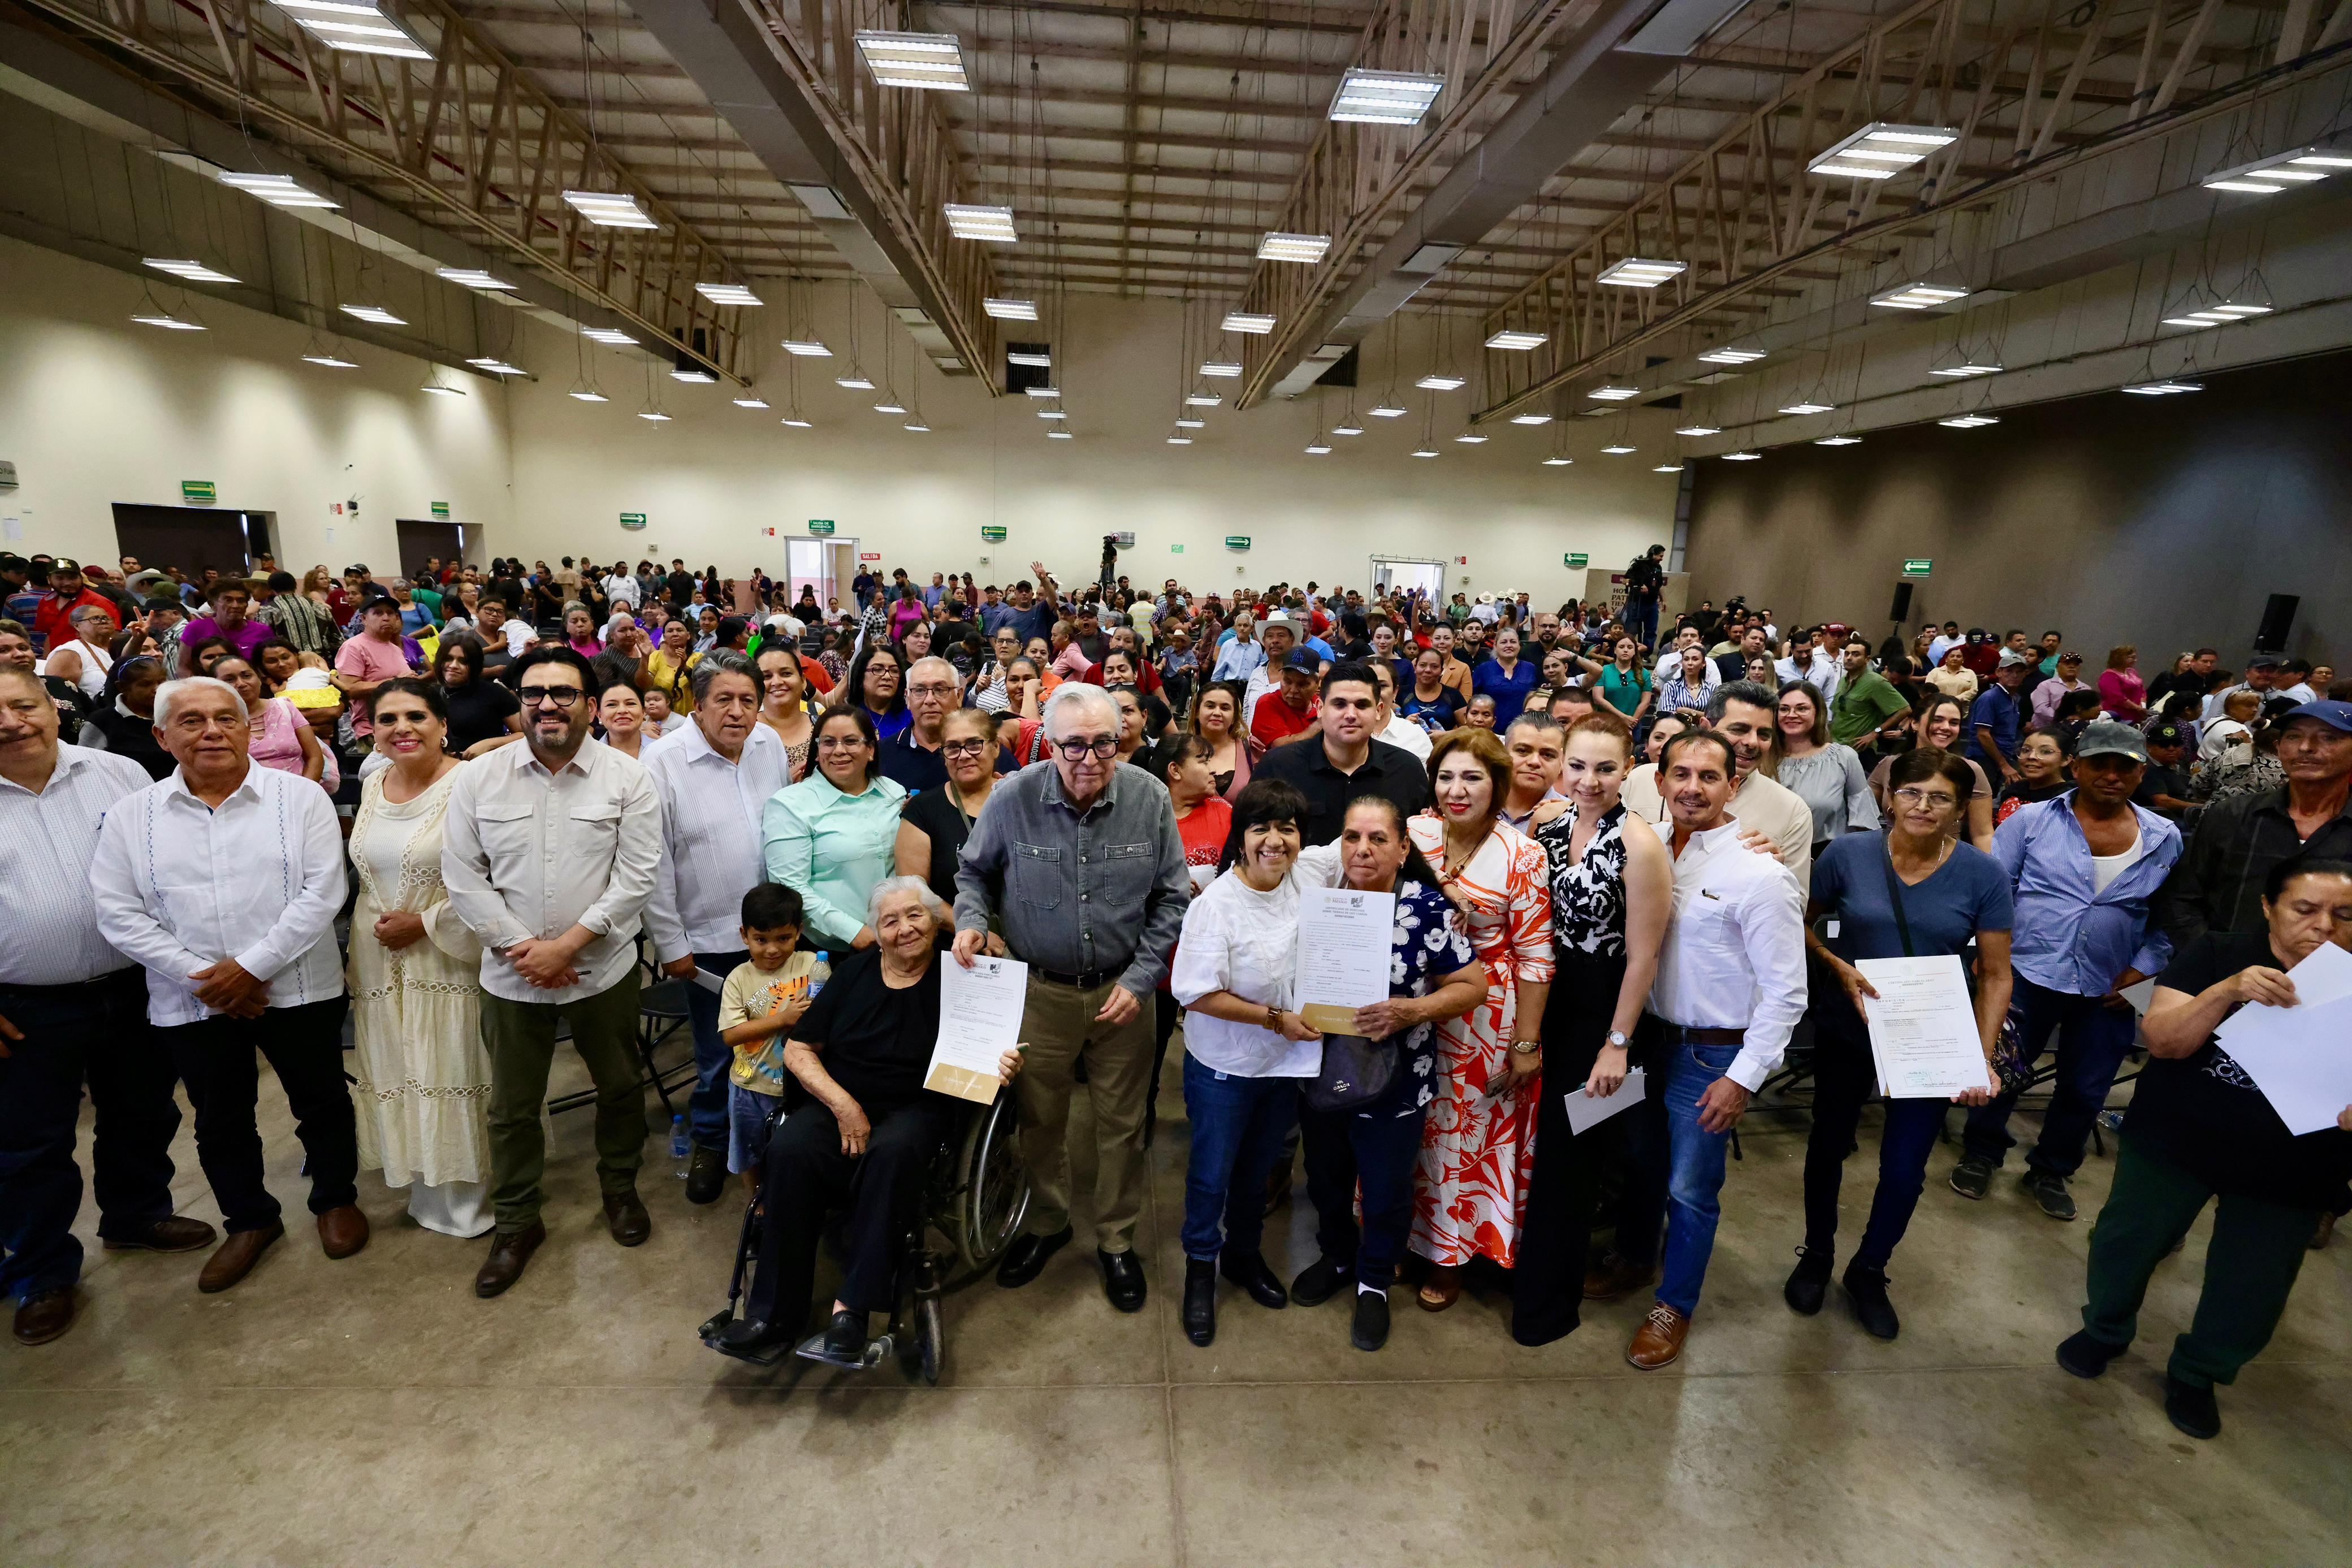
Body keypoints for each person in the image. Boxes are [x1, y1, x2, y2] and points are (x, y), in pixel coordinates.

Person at [2057, 860, 2352, 1440]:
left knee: (2253, 1281)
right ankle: (2104, 1329)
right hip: (2176, 1137)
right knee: (2126, 1241)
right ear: (2268, 907)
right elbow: (2165, 1041)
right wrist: (2226, 990)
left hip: (2294, 1164)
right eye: (2305, 909)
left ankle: (2199, 1371)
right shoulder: (2220, 953)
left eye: (2343, 915)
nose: (2323, 926)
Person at [91, 675, 364, 1294]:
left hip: (297, 986)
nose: (211, 731)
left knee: (321, 1099)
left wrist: (251, 967)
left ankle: (335, 1198)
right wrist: (206, 978)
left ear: (248, 728)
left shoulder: (299, 798)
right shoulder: (133, 816)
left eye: (226, 718)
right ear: (162, 736)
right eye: (191, 721)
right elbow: (117, 911)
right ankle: (250, 1219)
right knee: (219, 1117)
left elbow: (324, 891)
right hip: (193, 998)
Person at [715, 879, 1024, 1360]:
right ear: (877, 933)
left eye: (915, 915)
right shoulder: (854, 973)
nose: (905, 929)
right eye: (891, 921)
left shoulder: (964, 976)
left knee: (893, 1152)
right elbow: (798, 1050)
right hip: (841, 1102)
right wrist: (844, 1106)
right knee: (791, 1147)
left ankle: (852, 1311)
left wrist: (1001, 1064)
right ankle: (772, 1315)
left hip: (918, 1107)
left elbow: (989, 1055)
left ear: (935, 921)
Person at [953, 684, 1189, 1313]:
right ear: (1049, 744)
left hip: (1123, 993)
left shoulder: (1149, 798)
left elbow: (1172, 897)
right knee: (1040, 1119)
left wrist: (1141, 978)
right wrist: (971, 920)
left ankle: (1116, 1239)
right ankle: (1049, 1221)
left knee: (1122, 1126)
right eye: (1074, 745)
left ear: (1122, 739)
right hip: (1038, 992)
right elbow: (973, 872)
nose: (1090, 759)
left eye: (1104, 743)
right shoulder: (1013, 797)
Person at [0, 665, 215, 1344]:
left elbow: (163, 866)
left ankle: (136, 1214)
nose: (10, 722)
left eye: (22, 704)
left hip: (134, 985)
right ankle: (41, 1270)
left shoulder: (117, 773)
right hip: (24, 1005)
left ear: (52, 706)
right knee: (32, 1144)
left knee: (142, 1112)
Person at [439, 647, 664, 1298]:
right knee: (511, 1107)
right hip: (513, 976)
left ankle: (619, 1188)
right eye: (533, 692)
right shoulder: (479, 778)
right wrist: (526, 948)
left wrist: (566, 946)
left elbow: (637, 875)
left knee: (619, 1085)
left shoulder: (627, 778)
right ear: (520, 702)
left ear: (590, 705)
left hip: (602, 968)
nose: (546, 704)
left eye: (563, 692)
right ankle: (516, 1221)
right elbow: (462, 875)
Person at [1791, 750, 2013, 1339]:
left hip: (1928, 1033)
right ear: (1888, 797)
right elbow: (1802, 924)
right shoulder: (1847, 855)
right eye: (1911, 792)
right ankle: (1817, 1252)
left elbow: (1996, 974)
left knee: (1904, 1167)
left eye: (1940, 797)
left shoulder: (1982, 875)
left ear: (1960, 809)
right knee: (1828, 1145)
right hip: (1849, 1025)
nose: (1922, 806)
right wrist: (1836, 964)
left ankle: (1869, 1268)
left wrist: (1980, 1057)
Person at [1614, 729, 1806, 1370]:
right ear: (1659, 780)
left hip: (1709, 1056)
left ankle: (1674, 1303)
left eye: (1708, 776)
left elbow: (1786, 992)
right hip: (1643, 1042)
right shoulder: (1639, 847)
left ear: (1732, 785)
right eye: (1680, 774)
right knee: (1637, 1164)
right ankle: (1633, 1259)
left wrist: (1743, 1078)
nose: (1692, 788)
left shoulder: (1760, 874)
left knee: (1690, 1188)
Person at [1277, 796, 1486, 1351]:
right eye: (1352, 837)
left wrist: (1411, 1010)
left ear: (1401, 848)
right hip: (1321, 1070)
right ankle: (1337, 1257)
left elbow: (1474, 986)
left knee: (1386, 1187)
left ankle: (1374, 1280)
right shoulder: (1319, 901)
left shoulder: (1426, 907)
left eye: (1376, 839)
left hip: (1397, 1077)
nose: (1362, 849)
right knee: (1325, 1176)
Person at [1952, 720, 2182, 1219]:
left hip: (2111, 985)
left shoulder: (2164, 837)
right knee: (2003, 1069)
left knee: (2085, 1088)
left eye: (2125, 767)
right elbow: (1995, 892)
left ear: (2142, 773)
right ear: (2076, 767)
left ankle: (2051, 1170)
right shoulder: (2031, 821)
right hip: (2025, 974)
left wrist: (2145, 968)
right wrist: (1988, 957)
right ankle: (1982, 1152)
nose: (2112, 775)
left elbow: (2169, 917)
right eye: (2100, 764)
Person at [1510, 714, 1672, 1346]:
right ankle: (1518, 1270)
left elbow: (1644, 957)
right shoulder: (1548, 825)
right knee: (1532, 1147)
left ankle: (1547, 1305)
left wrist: (1616, 1044)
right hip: (1543, 1002)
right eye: (1577, 765)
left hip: (1602, 1018)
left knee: (1571, 1159)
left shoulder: (1640, 844)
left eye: (1605, 768)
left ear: (1628, 768)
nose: (1589, 780)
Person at [1406, 727, 1554, 1309]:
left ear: (1497, 786)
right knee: (1408, 1125)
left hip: (1484, 1018)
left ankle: (1450, 1254)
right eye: (1446, 776)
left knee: (1461, 1137)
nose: (1456, 789)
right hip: (1412, 1002)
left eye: (1472, 777)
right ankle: (1399, 1233)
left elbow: (1536, 956)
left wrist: (1526, 1042)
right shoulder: (1413, 834)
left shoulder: (1523, 855)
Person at [1170, 779, 1319, 1348]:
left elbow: (1366, 842)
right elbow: (1195, 993)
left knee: (1258, 1173)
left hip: (1282, 1065)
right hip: (1224, 1067)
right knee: (1212, 1175)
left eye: (1287, 829)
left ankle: (1242, 1254)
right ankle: (1199, 1268)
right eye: (1261, 828)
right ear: (1240, 837)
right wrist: (1276, 1018)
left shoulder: (1307, 880)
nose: (1274, 841)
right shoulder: (1215, 905)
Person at [346, 679, 492, 1238]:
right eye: (387, 719)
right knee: (402, 1068)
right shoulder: (373, 784)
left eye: (416, 716)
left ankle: (471, 1197)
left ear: (443, 725)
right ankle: (426, 1188)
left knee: (454, 1064)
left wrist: (425, 923)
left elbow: (498, 878)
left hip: (449, 955)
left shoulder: (471, 784)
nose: (401, 728)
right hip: (380, 957)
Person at [644, 652, 792, 1204]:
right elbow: (653, 862)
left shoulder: (767, 744)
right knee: (717, 1054)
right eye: (723, 700)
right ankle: (711, 1139)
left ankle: (771, 1138)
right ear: (698, 705)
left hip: (776, 936)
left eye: (748, 700)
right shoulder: (663, 762)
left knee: (777, 1046)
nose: (737, 712)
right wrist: (671, 943)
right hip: (707, 940)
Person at [2159, 700, 2352, 950]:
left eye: (2328, 738)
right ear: (2278, 747)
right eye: (2293, 737)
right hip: (2228, 966)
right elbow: (2182, 898)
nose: (2306, 747)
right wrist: (2213, 959)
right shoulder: (2232, 816)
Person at [1623, 682, 1815, 884]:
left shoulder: (1792, 811)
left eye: (1764, 734)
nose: (1752, 742)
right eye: (1739, 729)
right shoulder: (1640, 779)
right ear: (1706, 727)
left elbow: (1795, 898)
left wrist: (1774, 876)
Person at [713, 883, 828, 1201]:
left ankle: (795, 1200)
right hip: (750, 1086)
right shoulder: (738, 979)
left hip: (801, 1085)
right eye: (761, 940)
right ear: (744, 935)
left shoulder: (812, 965)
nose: (772, 950)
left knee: (796, 1150)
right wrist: (783, 1019)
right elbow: (730, 1035)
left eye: (783, 938)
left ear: (799, 932)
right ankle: (757, 1202)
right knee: (749, 1150)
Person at [762, 704, 907, 954]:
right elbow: (790, 888)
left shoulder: (893, 792)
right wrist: (853, 932)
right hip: (832, 950)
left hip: (900, 938)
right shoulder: (789, 805)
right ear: (817, 751)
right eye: (828, 742)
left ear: (871, 749)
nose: (839, 750)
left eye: (851, 741)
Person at [1251, 661, 1429, 846]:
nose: (1351, 714)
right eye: (1339, 704)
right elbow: (1246, 840)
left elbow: (1422, 844)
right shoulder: (1278, 767)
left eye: (1362, 705)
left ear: (1378, 711)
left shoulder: (1406, 770)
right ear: (1320, 708)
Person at [895, 708, 1005, 908]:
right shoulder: (922, 811)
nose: (964, 755)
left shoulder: (1020, 802)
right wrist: (968, 924)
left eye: (974, 744)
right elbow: (915, 894)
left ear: (996, 747)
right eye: (953, 748)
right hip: (952, 927)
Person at [1867, 695, 1996, 852]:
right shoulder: (1889, 765)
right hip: (1891, 855)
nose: (1946, 727)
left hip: (1946, 858)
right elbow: (1864, 817)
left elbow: (1983, 834)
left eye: (1954, 723)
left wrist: (1990, 866)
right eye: (1937, 720)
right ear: (1914, 723)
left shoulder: (1970, 770)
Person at [1769, 681, 1879, 856]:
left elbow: (1864, 821)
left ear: (1818, 712)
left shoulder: (1843, 758)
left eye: (1802, 709)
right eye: (1784, 709)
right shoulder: (1763, 759)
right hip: (1771, 856)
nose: (1792, 715)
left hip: (1827, 856)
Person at [213, 653, 325, 783]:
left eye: (247, 676)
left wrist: (304, 791)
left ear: (259, 679)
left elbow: (314, 756)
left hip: (299, 791)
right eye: (229, 680)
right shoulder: (214, 722)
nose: (241, 684)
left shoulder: (285, 707)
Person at [433, 638, 523, 756]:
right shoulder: (430, 695)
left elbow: (525, 734)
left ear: (475, 666)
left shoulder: (494, 692)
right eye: (448, 659)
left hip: (485, 763)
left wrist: (490, 745)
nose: (454, 665)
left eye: (463, 661)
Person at [1969, 649, 2035, 785]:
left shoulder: (2014, 698)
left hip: (2002, 756)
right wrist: (2004, 765)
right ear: (1998, 672)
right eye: (2009, 671)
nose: (2014, 675)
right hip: (1984, 758)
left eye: (2019, 672)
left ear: (2025, 674)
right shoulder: (1990, 698)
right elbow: (1983, 735)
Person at [754, 641, 816, 782]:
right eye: (766, 677)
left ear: (803, 680)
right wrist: (783, 783)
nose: (777, 682)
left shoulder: (822, 725)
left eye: (786, 674)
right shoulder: (747, 731)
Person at [37, 601, 116, 699]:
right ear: (77, 626)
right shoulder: (69, 653)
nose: (104, 621)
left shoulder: (121, 644)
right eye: (95, 619)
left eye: (106, 618)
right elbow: (59, 695)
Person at [1994, 726, 2072, 825]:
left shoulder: (2069, 798)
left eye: (2045, 752)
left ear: (2066, 759)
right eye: (2026, 750)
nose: (2031, 757)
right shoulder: (2014, 789)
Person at [1190, 679, 1251, 802]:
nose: (1217, 713)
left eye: (1225, 708)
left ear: (1234, 717)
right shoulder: (1179, 750)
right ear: (1197, 712)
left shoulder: (1251, 750)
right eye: (1210, 706)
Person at [1596, 634, 1654, 727]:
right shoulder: (1603, 671)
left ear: (1635, 651)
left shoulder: (1644, 673)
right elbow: (1598, 699)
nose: (1626, 650)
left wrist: (1631, 723)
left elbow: (1645, 702)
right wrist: (1623, 718)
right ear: (1615, 650)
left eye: (1630, 647)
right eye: (1621, 647)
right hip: (1606, 724)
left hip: (1633, 725)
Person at [592, 681, 651, 762]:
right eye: (611, 705)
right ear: (599, 715)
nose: (622, 710)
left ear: (643, 712)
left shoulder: (663, 751)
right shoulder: (590, 757)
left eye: (631, 704)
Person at [1622, 545, 1665, 651]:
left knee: (1651, 630)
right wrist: (1639, 584)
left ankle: (1646, 653)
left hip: (1652, 603)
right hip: (1637, 602)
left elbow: (1659, 585)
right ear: (1653, 554)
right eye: (1660, 556)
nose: (1662, 559)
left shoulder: (1658, 568)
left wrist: (1663, 600)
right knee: (1632, 629)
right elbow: (1625, 580)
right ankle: (1629, 650)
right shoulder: (1639, 565)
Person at [2099, 645, 2147, 722]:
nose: (2135, 660)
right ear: (2120, 658)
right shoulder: (2109, 675)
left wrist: (2143, 707)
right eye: (2132, 658)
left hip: (2137, 715)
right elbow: (2118, 699)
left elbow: (2142, 691)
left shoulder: (2132, 672)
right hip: (2119, 717)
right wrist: (2138, 709)